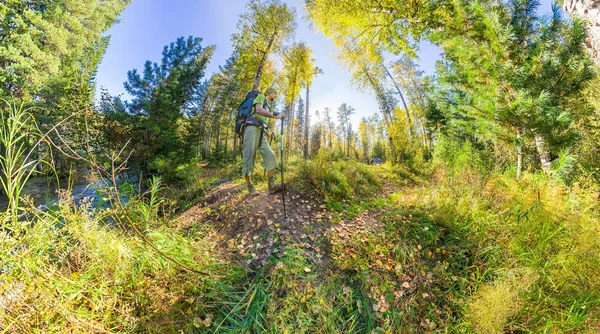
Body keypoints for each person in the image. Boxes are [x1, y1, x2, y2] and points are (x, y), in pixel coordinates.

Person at [242, 87, 285, 196]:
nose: (275, 96)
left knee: (270, 155)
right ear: (270, 93)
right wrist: (276, 117)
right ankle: (250, 185)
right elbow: (258, 110)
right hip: (251, 128)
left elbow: (263, 121)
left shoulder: (268, 107)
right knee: (249, 157)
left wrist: (269, 134)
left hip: (261, 132)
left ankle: (271, 185)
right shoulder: (261, 97)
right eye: (275, 94)